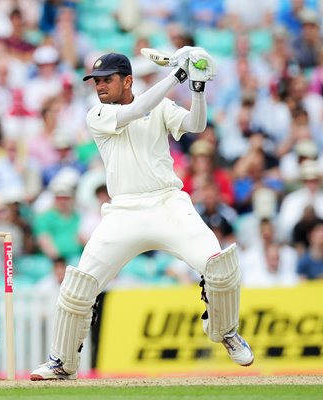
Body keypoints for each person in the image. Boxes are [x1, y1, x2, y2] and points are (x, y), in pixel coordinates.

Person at [30, 48, 254, 381]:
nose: (100, 86)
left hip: (167, 203)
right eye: (96, 81)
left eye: (107, 80)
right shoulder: (97, 114)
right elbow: (138, 109)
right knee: (77, 286)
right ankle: (62, 361)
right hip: (124, 211)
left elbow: (196, 123)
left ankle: (225, 330)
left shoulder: (160, 105)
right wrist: (177, 76)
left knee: (219, 265)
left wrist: (197, 88)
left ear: (128, 80)